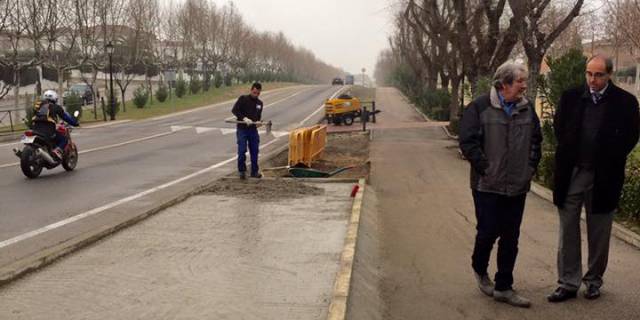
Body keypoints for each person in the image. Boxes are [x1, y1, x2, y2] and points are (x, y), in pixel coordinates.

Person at [547, 55, 639, 302]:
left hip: (604, 176)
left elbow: (631, 136)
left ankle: (593, 281)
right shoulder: (571, 97)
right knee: (567, 229)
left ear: (609, 74)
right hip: (572, 173)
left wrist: (610, 156)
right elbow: (559, 128)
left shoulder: (626, 102)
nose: (592, 79)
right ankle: (568, 282)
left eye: (598, 75)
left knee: (599, 232)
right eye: (589, 73)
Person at [459, 61, 542, 308]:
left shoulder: (527, 110)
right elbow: (467, 142)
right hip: (487, 186)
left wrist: (529, 168)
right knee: (488, 231)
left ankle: (504, 286)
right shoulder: (480, 107)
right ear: (504, 84)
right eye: (520, 81)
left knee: (511, 236)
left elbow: (536, 141)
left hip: (517, 185)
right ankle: (479, 268)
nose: (524, 86)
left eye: (524, 81)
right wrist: (486, 168)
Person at [31, 90, 79, 159]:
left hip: (35, 128)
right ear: (54, 98)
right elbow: (65, 117)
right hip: (48, 130)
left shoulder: (38, 105)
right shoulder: (56, 107)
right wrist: (75, 123)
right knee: (64, 139)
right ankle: (57, 151)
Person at [231, 82, 264, 179]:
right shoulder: (243, 99)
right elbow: (234, 110)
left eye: (258, 93)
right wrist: (244, 118)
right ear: (251, 90)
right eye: (254, 92)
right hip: (242, 129)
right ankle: (242, 171)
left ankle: (254, 172)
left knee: (255, 151)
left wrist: (258, 123)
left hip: (253, 131)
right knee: (242, 150)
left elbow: (258, 117)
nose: (256, 95)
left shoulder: (260, 104)